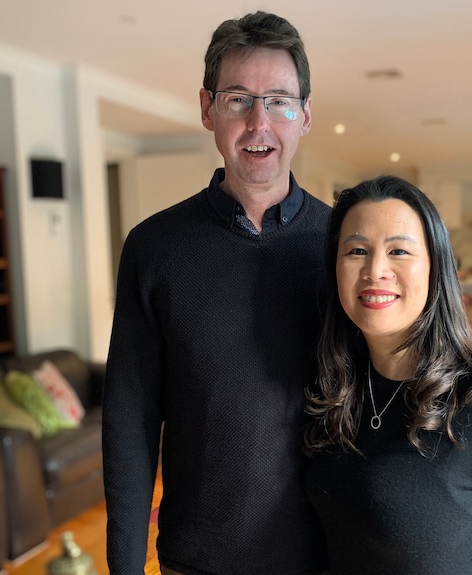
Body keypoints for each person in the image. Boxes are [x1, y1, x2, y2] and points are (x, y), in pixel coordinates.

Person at [103, 11, 329, 575]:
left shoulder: (344, 245)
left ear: (305, 115)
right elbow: (130, 419)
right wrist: (124, 565)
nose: (260, 122)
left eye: (279, 100)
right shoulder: (155, 247)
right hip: (196, 556)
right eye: (238, 99)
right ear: (207, 109)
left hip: (328, 552)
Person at [303, 175, 472, 574]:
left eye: (398, 250)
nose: (375, 270)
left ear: (435, 267)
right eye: (357, 251)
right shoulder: (333, 388)